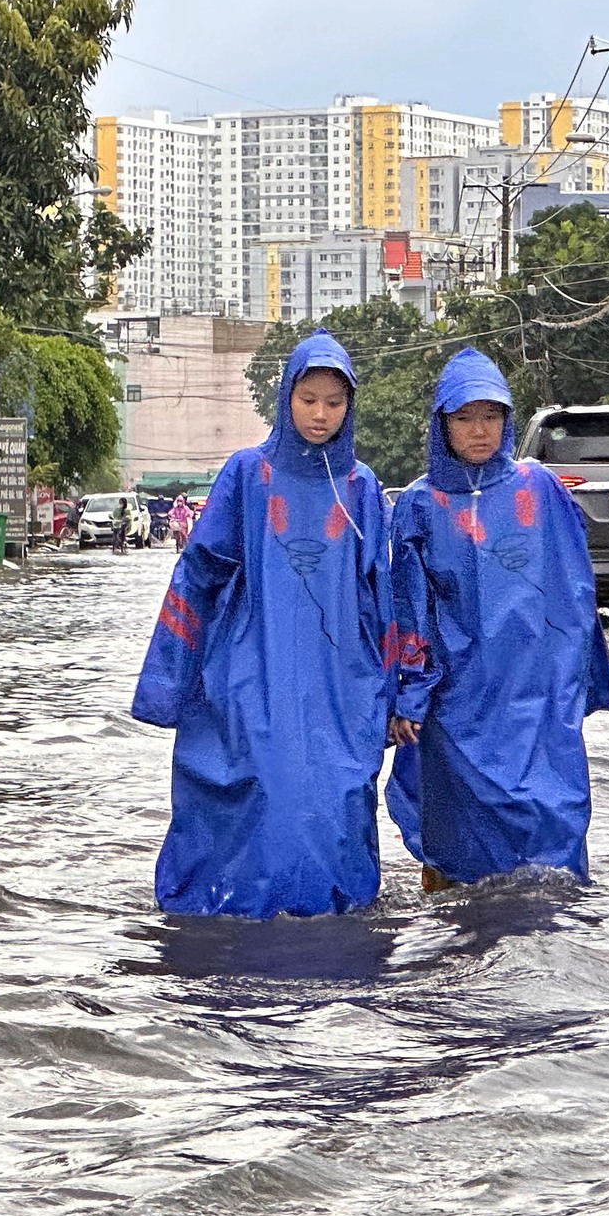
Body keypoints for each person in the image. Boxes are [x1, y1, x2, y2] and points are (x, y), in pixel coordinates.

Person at [131, 331, 392, 918]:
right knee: (255, 791)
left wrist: (399, 693)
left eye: (334, 402)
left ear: (349, 408)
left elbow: (386, 596)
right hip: (248, 670)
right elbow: (199, 574)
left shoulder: (362, 489)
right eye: (308, 399)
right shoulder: (247, 474)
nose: (320, 414)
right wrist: (169, 682)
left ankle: (331, 920)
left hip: (339, 686)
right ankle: (234, 912)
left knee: (335, 800)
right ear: (285, 397)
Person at [386, 349, 609, 893]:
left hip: (534, 694)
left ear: (507, 420)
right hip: (456, 696)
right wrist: (410, 695)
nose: (479, 430)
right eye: (464, 417)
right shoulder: (419, 506)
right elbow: (408, 608)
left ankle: (552, 932)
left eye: (490, 416)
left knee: (550, 812)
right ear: (442, 424)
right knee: (456, 824)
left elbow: (575, 589)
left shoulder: (538, 488)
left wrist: (585, 674)